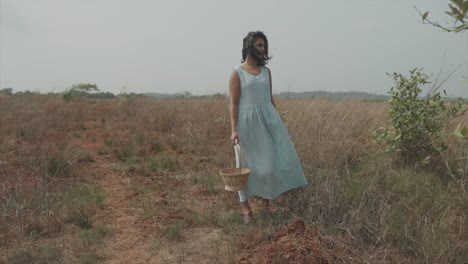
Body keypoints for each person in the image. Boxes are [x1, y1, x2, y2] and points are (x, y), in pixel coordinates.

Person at [228, 31, 308, 224]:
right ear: (249, 47)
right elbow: (234, 103)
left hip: (268, 121)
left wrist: (277, 122)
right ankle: (246, 209)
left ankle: (266, 205)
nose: (263, 50)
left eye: (264, 46)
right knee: (244, 168)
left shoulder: (266, 72)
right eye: (259, 45)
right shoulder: (236, 72)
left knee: (269, 167)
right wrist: (234, 129)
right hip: (247, 124)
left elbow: (269, 99)